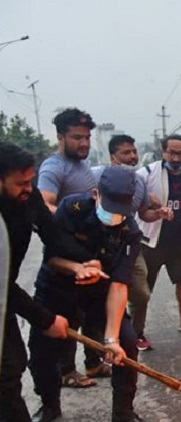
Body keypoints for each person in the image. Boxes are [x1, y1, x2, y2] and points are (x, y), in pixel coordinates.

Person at [28, 167, 142, 422]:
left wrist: (111, 338)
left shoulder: (130, 232)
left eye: (121, 210)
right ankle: (49, 407)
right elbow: (52, 258)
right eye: (109, 206)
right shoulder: (72, 209)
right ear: (95, 194)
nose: (114, 216)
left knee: (127, 343)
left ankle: (123, 412)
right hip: (58, 288)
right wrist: (76, 268)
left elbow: (119, 285)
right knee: (41, 350)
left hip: (98, 295)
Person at [0, 142, 89, 422]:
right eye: (21, 183)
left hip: (4, 294)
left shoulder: (27, 198)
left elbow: (53, 234)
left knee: (11, 367)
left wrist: (83, 262)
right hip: (3, 292)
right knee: (5, 374)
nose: (28, 188)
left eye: (31, 181)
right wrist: (45, 319)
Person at [39, 108, 105, 388]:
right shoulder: (54, 167)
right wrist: (69, 229)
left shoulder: (81, 165)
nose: (84, 143)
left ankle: (93, 363)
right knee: (69, 314)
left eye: (87, 137)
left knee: (92, 309)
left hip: (88, 253)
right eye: (77, 137)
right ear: (60, 137)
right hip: (65, 255)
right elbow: (45, 204)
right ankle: (66, 371)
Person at [94, 135, 174, 352]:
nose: (132, 157)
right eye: (125, 153)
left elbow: (144, 213)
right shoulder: (96, 176)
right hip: (95, 243)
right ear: (113, 157)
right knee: (93, 299)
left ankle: (134, 333)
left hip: (127, 241)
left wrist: (158, 213)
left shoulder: (138, 181)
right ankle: (97, 350)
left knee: (140, 292)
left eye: (133, 152)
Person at [137, 135, 181, 335]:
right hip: (150, 241)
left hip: (176, 240)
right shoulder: (146, 173)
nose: (175, 158)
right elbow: (132, 202)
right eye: (171, 153)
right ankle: (137, 331)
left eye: (180, 153)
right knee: (143, 289)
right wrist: (150, 202)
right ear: (163, 152)